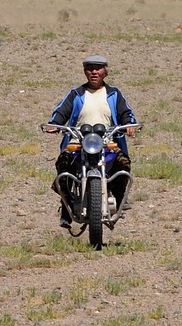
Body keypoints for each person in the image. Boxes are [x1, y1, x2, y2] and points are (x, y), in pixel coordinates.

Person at [44, 54, 138, 228]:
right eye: (90, 68)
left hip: (107, 141)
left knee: (123, 163)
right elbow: (61, 111)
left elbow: (126, 113)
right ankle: (66, 208)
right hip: (77, 141)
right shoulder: (76, 94)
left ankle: (119, 199)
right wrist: (54, 124)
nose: (94, 72)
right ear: (85, 72)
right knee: (63, 166)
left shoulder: (114, 94)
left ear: (105, 72)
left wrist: (130, 124)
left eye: (98, 68)